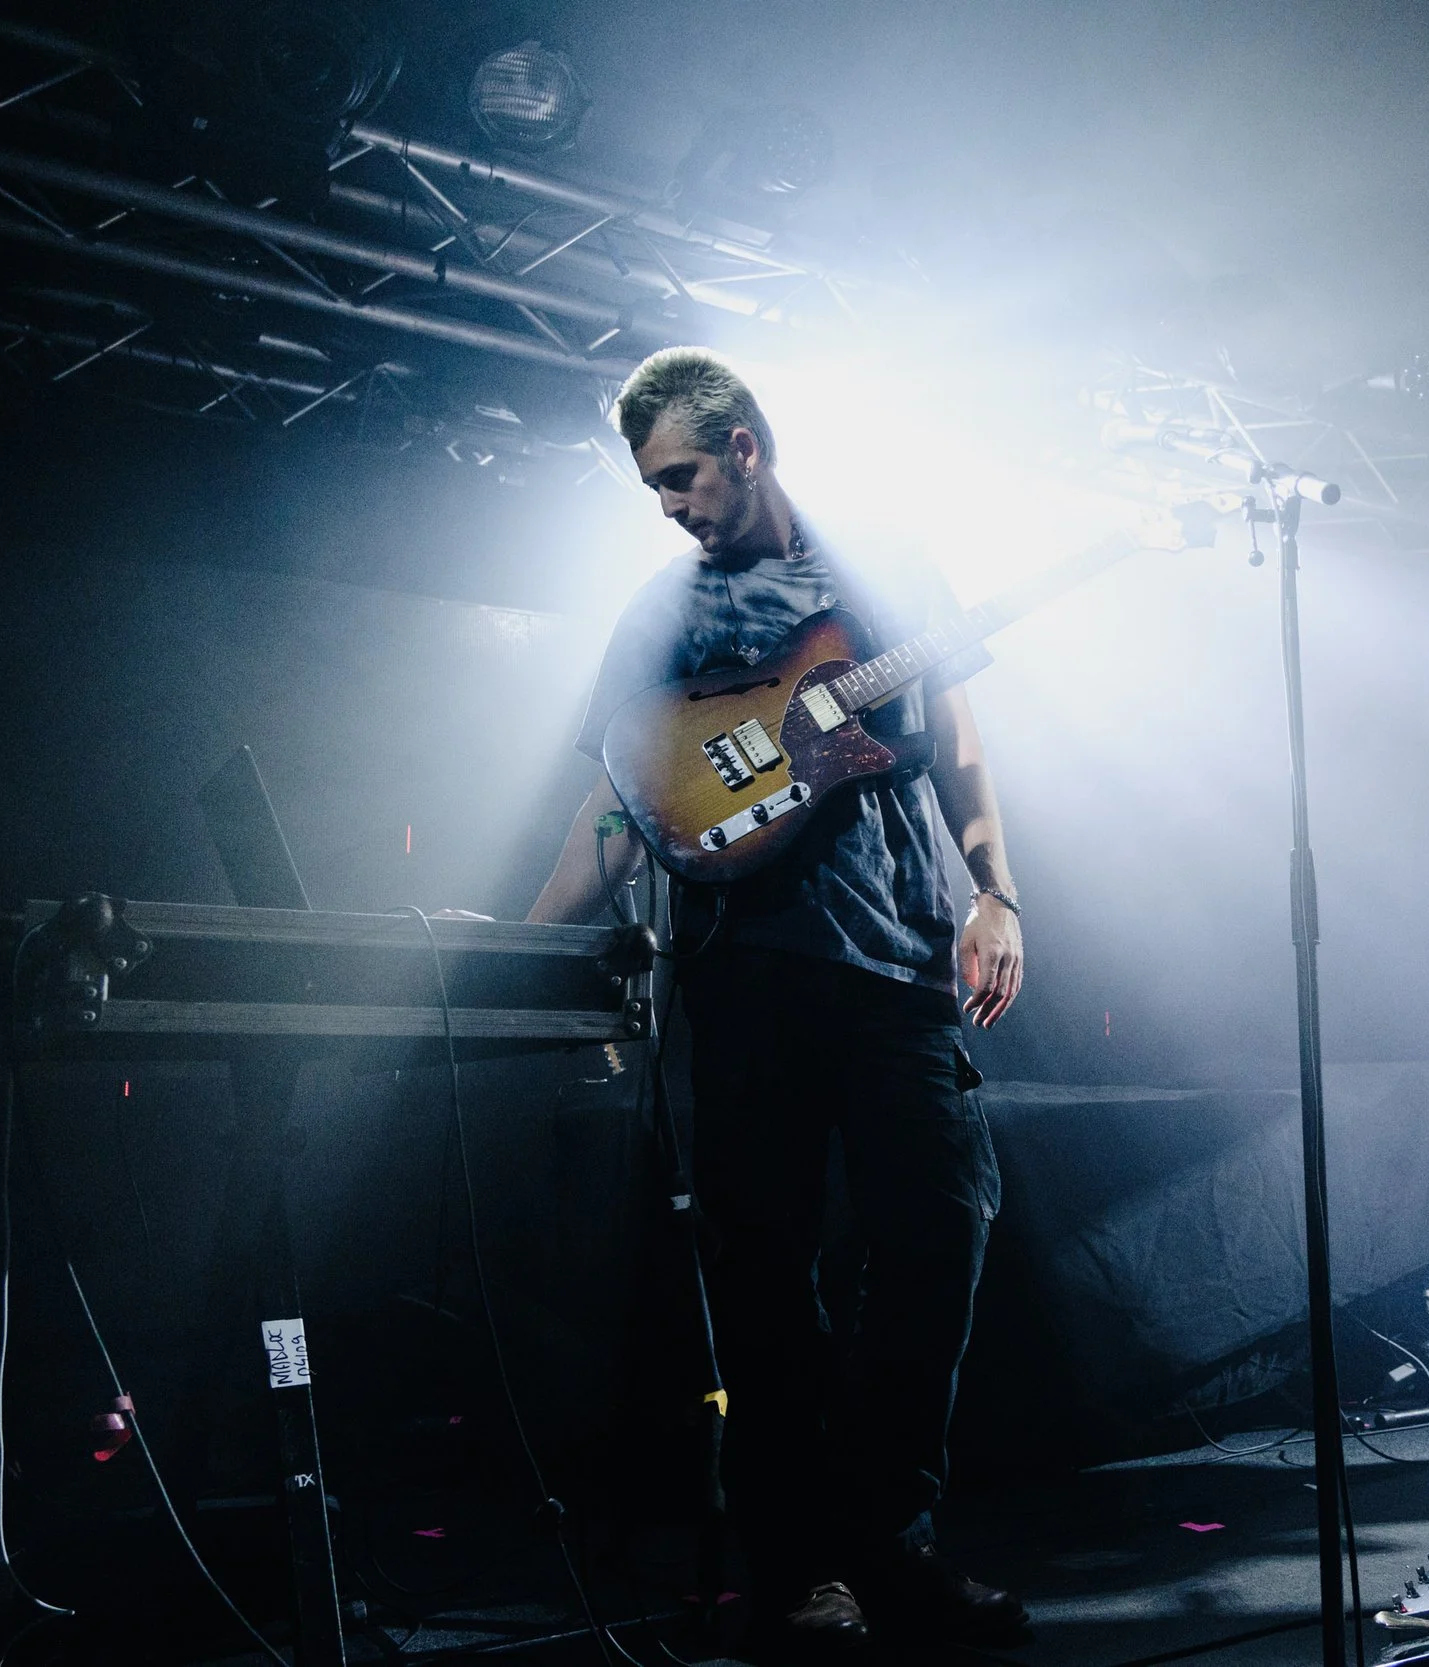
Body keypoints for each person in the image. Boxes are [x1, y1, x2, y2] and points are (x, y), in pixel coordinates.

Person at [528, 348, 1028, 1658]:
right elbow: (618, 806)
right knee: (765, 1284)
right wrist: (524, 951)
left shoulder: (886, 564)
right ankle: (805, 1569)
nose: (670, 504)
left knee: (941, 1240)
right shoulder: (662, 613)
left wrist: (997, 892)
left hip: (906, 967)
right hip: (747, 981)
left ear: (745, 445)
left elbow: (961, 736)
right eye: (651, 486)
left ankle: (890, 1545)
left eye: (681, 474)